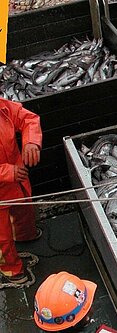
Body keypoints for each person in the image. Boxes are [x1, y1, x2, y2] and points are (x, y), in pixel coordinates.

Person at [0, 97, 42, 284]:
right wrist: (8, 172)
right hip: (7, 182)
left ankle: (25, 236)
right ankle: (12, 272)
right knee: (2, 239)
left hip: (17, 182)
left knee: (24, 212)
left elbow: (28, 119)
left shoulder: (3, 107)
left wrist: (31, 142)